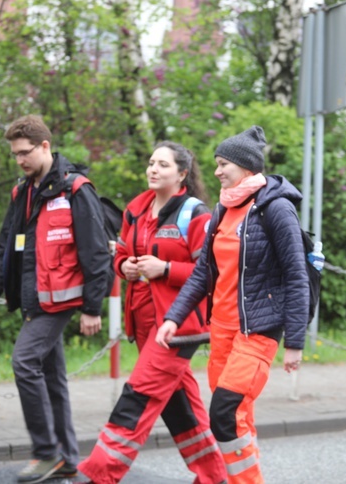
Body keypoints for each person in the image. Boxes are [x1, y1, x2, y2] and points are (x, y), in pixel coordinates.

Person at [155, 126, 308, 484]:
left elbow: (296, 275)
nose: (217, 171)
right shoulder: (223, 209)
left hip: (258, 331)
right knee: (238, 418)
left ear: (247, 166)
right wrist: (174, 318)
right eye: (217, 164)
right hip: (221, 331)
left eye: (224, 164)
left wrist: (295, 342)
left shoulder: (275, 208)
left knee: (223, 415)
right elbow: (203, 272)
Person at [0, 115, 110, 483]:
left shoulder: (76, 190)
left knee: (24, 362)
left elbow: (97, 253)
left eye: (25, 152)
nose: (19, 160)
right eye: (15, 154)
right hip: (34, 300)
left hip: (60, 303)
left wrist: (92, 307)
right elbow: (6, 247)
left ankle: (46, 452)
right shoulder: (23, 192)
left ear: (45, 146)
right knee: (52, 379)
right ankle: (65, 457)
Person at [77, 142, 226, 484]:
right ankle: (214, 477)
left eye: (163, 164)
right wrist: (124, 266)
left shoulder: (196, 213)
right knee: (180, 406)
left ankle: (98, 473)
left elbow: (212, 273)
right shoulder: (136, 209)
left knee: (138, 396)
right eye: (151, 163)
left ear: (182, 174)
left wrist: (166, 268)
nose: (153, 169)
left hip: (178, 326)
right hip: (144, 321)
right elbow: (122, 253)